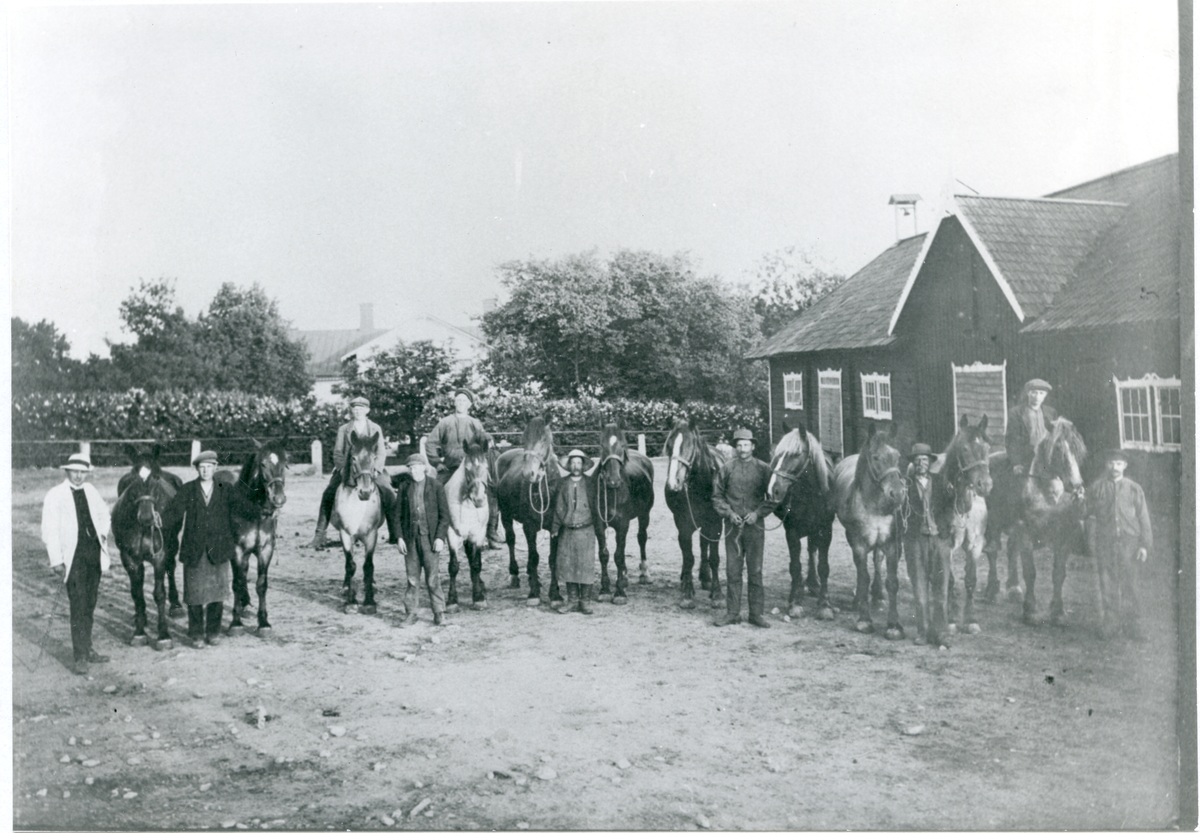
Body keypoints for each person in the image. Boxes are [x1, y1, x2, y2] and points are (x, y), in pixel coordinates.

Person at [41, 452, 112, 676]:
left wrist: (102, 534)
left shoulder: (90, 491)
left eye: (83, 472)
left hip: (93, 555)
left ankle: (88, 648)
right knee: (78, 605)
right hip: (73, 558)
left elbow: (104, 515)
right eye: (75, 472)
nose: (79, 476)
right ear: (67, 471)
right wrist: (56, 560)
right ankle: (80, 656)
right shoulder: (56, 495)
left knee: (90, 603)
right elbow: (49, 530)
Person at [163, 450, 242, 648]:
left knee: (217, 595)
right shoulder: (188, 489)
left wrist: (264, 511)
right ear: (197, 469)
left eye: (209, 467)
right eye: (202, 467)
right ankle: (196, 634)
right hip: (194, 550)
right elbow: (174, 512)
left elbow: (242, 507)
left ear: (215, 468)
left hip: (219, 549)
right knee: (194, 595)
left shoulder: (225, 488)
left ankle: (213, 632)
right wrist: (158, 521)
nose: (205, 470)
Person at [712, 428, 778, 628]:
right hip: (732, 528)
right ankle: (732, 613)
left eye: (746, 445)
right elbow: (717, 496)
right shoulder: (727, 469)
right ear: (735, 447)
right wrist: (729, 513)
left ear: (753, 446)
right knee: (733, 571)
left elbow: (774, 496)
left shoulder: (764, 469)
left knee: (755, 571)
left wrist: (757, 513)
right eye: (739, 445)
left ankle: (756, 614)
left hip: (755, 527)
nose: (742, 449)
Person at [309, 396, 397, 548]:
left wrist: (377, 469)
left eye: (361, 408)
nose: (357, 411)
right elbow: (338, 452)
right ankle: (320, 534)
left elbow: (381, 452)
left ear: (367, 410)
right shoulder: (344, 429)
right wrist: (342, 468)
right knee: (329, 492)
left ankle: (394, 532)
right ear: (351, 411)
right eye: (355, 408)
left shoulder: (375, 428)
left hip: (370, 468)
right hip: (349, 468)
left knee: (388, 491)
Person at [1087, 449, 1153, 640]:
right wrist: (1079, 501)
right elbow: (1085, 511)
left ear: (1125, 466)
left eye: (1118, 463)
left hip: (1129, 543)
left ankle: (1133, 625)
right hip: (1105, 542)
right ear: (1106, 465)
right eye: (1111, 463)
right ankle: (1111, 623)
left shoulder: (1134, 489)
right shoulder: (1097, 488)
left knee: (1130, 582)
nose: (1114, 467)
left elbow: (1144, 519)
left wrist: (1144, 545)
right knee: (1107, 582)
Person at [424, 389, 501, 547]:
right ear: (454, 403)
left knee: (491, 492)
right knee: (433, 492)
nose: (460, 403)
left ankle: (491, 531)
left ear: (469, 404)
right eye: (458, 400)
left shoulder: (475, 423)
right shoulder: (445, 422)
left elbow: (482, 440)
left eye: (464, 401)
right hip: (450, 468)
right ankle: (435, 532)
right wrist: (437, 462)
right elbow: (430, 443)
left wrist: (487, 438)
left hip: (472, 468)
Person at [394, 453, 451, 626]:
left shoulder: (436, 486)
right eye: (410, 468)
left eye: (416, 467)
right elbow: (397, 516)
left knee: (433, 578)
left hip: (430, 540)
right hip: (410, 540)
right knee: (412, 579)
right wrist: (399, 538)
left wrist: (440, 538)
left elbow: (445, 516)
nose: (413, 471)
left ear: (424, 467)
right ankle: (411, 613)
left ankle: (439, 613)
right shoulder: (404, 487)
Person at [902, 443, 948, 642]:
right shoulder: (906, 485)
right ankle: (923, 632)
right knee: (920, 591)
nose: (921, 463)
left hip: (938, 540)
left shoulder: (940, 482)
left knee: (941, 589)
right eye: (917, 460)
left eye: (924, 460)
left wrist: (945, 528)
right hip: (915, 541)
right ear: (913, 464)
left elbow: (949, 506)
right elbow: (899, 511)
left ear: (930, 462)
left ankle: (941, 632)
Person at [550, 449, 597, 614]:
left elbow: (597, 506)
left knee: (585, 565)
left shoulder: (591, 483)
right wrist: (555, 527)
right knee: (568, 565)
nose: (576, 466)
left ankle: (585, 602)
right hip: (567, 531)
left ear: (583, 465)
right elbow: (559, 507)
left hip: (586, 530)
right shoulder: (563, 483)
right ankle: (572, 601)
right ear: (569, 465)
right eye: (573, 463)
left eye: (579, 463)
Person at [1006, 379, 1058, 477]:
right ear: (1028, 393)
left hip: (1046, 459)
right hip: (1026, 459)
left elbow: (1055, 437)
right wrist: (1016, 463)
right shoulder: (1016, 413)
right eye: (1034, 392)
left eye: (1041, 393)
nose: (1037, 397)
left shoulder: (1051, 412)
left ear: (1045, 395)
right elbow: (1011, 439)